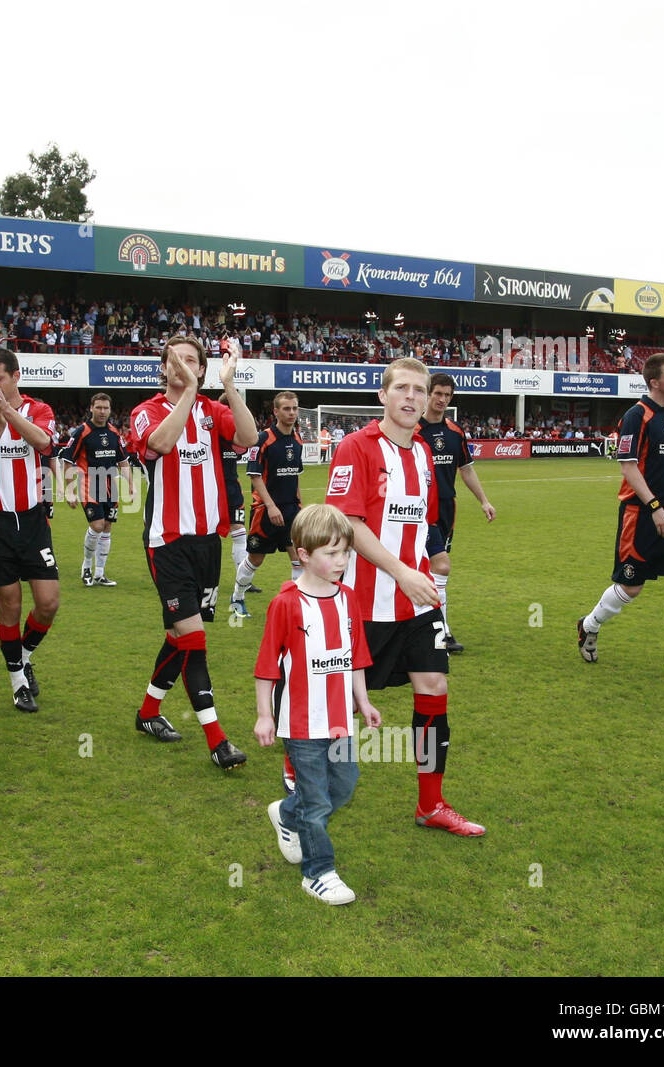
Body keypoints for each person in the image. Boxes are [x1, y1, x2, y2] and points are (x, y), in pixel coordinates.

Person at [325, 357, 485, 836]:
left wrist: (434, 557)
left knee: (435, 690)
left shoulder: (421, 454)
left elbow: (425, 520)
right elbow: (348, 526)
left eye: (420, 389)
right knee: (340, 702)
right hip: (361, 602)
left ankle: (431, 804)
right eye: (403, 389)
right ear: (384, 396)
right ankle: (298, 780)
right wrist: (400, 572)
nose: (413, 397)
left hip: (417, 602)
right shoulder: (355, 448)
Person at [130, 335, 258, 769]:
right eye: (175, 360)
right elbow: (162, 444)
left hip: (208, 544)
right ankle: (219, 742)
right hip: (166, 543)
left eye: (192, 361)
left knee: (181, 636)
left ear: (202, 369)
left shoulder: (212, 411)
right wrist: (187, 393)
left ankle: (148, 713)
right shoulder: (145, 412)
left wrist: (230, 385)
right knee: (196, 640)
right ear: (164, 368)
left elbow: (249, 435)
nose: (183, 366)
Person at [253, 504, 382, 905]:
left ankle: (285, 814)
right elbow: (266, 667)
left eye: (345, 552)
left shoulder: (348, 600)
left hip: (341, 720)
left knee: (343, 786)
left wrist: (363, 701)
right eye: (331, 553)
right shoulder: (286, 604)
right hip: (301, 724)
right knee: (317, 801)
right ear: (304, 554)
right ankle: (318, 872)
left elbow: (356, 656)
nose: (341, 561)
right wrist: (263, 715)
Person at [577, 353, 664, 682]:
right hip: (643, 513)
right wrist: (654, 508)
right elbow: (628, 466)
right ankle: (589, 625)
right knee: (630, 587)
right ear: (655, 382)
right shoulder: (637, 415)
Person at [0, 348, 59, 714]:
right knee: (11, 605)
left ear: (16, 376)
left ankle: (21, 654)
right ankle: (18, 682)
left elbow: (43, 442)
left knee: (48, 602)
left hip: (33, 519)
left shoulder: (40, 409)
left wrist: (9, 414)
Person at [419, 373, 497, 652]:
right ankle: (442, 633)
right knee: (440, 567)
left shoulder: (455, 432)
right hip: (418, 511)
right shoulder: (412, 429)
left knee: (429, 570)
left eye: (447, 395)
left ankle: (423, 628)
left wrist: (484, 501)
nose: (441, 400)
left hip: (447, 508)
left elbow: (466, 469)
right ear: (427, 394)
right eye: (437, 393)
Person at [230, 391, 305, 616]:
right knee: (255, 559)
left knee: (299, 558)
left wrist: (300, 505)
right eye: (286, 409)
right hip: (265, 511)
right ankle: (237, 598)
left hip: (291, 510)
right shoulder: (262, 439)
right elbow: (254, 475)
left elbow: (296, 475)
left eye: (294, 408)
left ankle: (297, 608)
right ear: (275, 411)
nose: (291, 413)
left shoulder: (297, 439)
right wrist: (271, 506)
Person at [61, 392, 133, 586]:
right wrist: (70, 491)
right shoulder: (81, 432)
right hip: (89, 485)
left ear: (110, 410)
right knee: (97, 525)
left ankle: (100, 573)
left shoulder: (114, 432)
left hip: (111, 486)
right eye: (99, 407)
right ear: (91, 408)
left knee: (108, 527)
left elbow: (123, 461)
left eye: (106, 408)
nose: (102, 411)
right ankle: (86, 567)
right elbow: (68, 462)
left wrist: (130, 486)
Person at [217, 391, 251, 587]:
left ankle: (242, 580)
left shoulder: (238, 433)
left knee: (239, 531)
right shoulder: (210, 431)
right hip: (211, 489)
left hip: (232, 487)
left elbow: (244, 446)